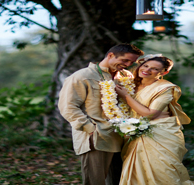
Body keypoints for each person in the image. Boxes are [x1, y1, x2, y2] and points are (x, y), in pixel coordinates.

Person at [58, 43, 144, 185]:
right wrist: (90, 128)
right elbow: (68, 107)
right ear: (110, 55)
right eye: (124, 60)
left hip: (122, 136)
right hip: (97, 137)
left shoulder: (125, 76)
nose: (127, 65)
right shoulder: (82, 76)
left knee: (121, 180)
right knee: (95, 181)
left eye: (131, 62)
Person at [114, 55, 194, 185]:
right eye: (146, 66)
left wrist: (126, 97)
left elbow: (150, 114)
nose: (147, 70)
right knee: (137, 173)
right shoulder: (130, 84)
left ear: (164, 72)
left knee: (163, 171)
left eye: (154, 69)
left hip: (160, 134)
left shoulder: (165, 89)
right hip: (135, 133)